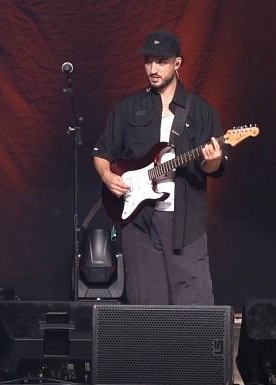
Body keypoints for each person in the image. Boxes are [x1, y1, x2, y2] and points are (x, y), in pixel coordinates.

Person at [93, 30, 226, 305]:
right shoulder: (128, 108)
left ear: (177, 63)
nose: (152, 69)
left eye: (161, 62)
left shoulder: (199, 110)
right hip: (139, 221)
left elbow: (213, 167)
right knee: (147, 307)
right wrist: (106, 176)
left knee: (194, 305)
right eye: (148, 61)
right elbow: (102, 153)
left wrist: (212, 158)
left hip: (185, 222)